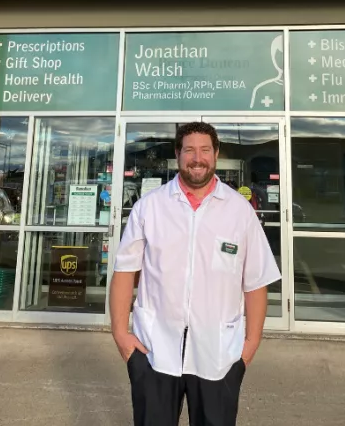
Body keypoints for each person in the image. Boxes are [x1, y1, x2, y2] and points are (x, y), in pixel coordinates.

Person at [110, 121, 281, 426]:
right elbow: (125, 271)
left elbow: (255, 281)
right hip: (154, 350)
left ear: (216, 154)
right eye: (189, 150)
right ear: (178, 154)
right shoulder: (150, 207)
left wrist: (249, 346)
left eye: (204, 150)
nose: (197, 157)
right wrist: (121, 334)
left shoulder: (239, 211)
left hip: (219, 353)